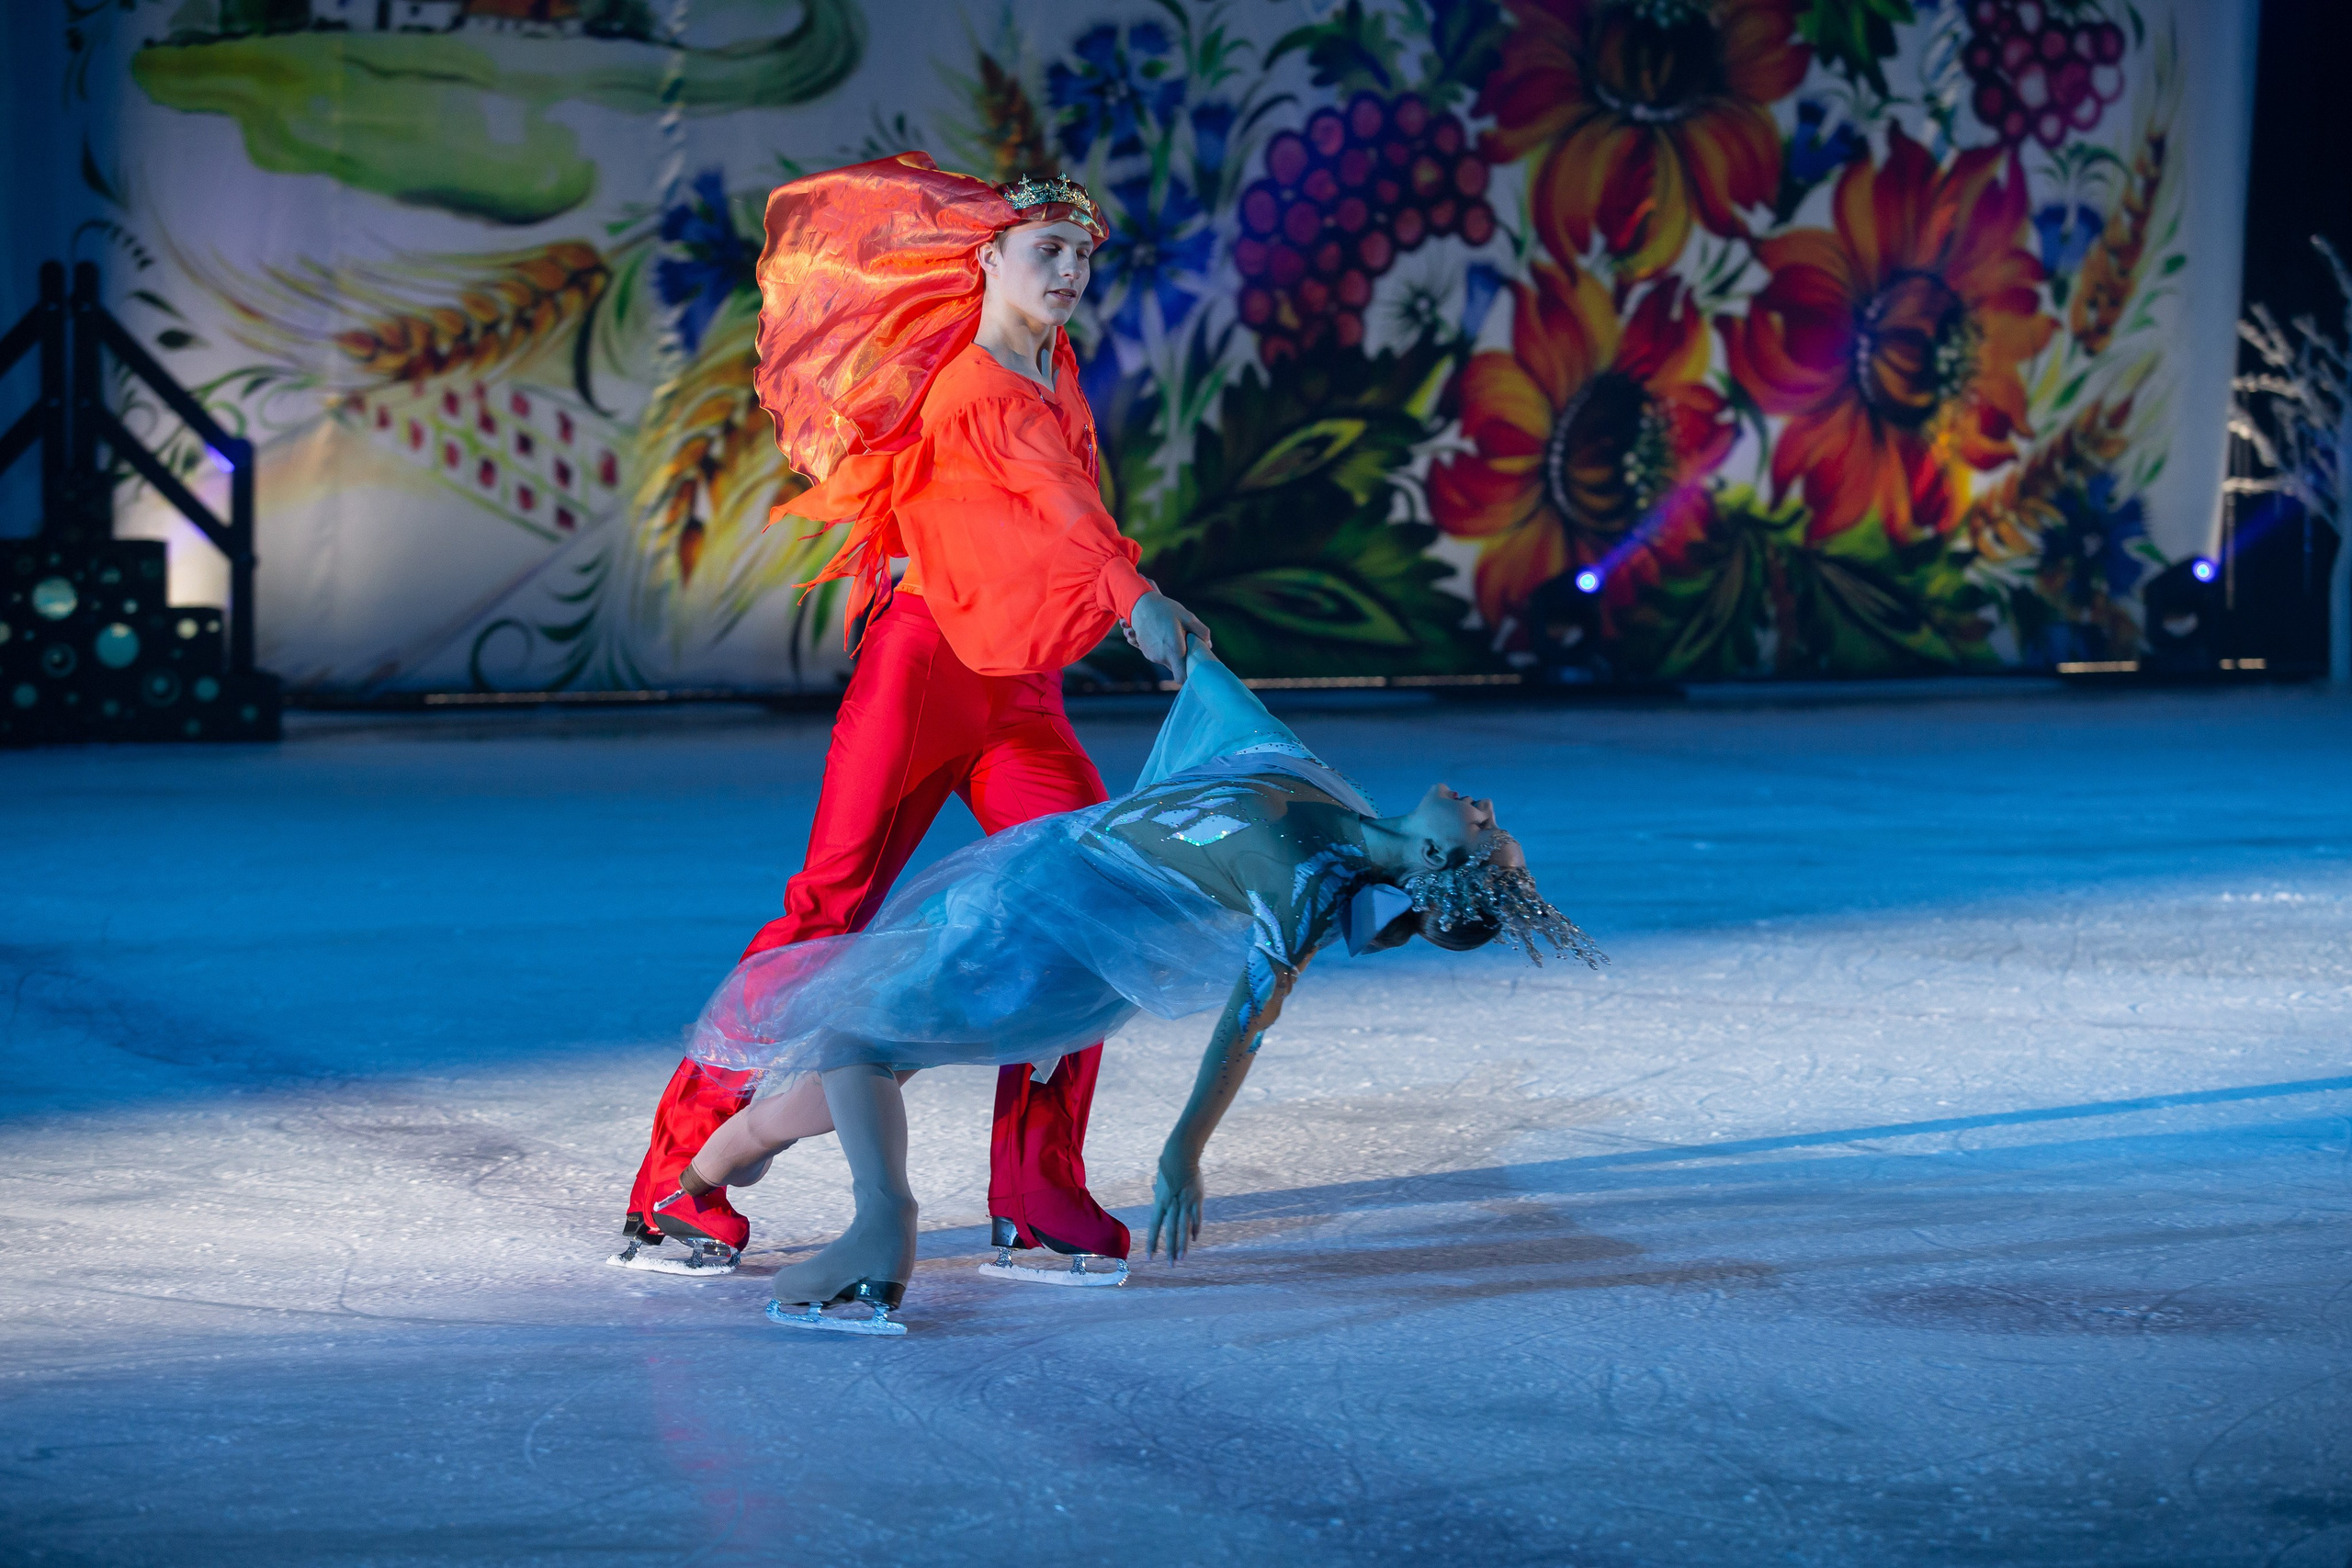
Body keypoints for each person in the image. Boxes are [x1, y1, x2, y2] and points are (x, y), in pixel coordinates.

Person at [614, 153, 1213, 1277]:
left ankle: (1036, 1189)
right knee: (827, 912)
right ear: (987, 257)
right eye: (1047, 250)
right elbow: (1062, 509)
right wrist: (1132, 594)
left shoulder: (1051, 364)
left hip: (1021, 693)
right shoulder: (974, 386)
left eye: (1083, 254)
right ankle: (675, 1178)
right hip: (924, 671)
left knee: (1090, 910)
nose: (1070, 270)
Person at [659, 643, 1602, 1332]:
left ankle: (879, 1227)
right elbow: (1231, 709)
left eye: (1487, 832)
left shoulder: (1309, 886)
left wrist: (1184, 1150)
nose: (1485, 808)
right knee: (876, 1049)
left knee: (859, 1033)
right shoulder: (1340, 803)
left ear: (1439, 863)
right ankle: (714, 1166)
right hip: (1042, 892)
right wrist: (1158, 624)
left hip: (1047, 928)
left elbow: (1245, 1026)